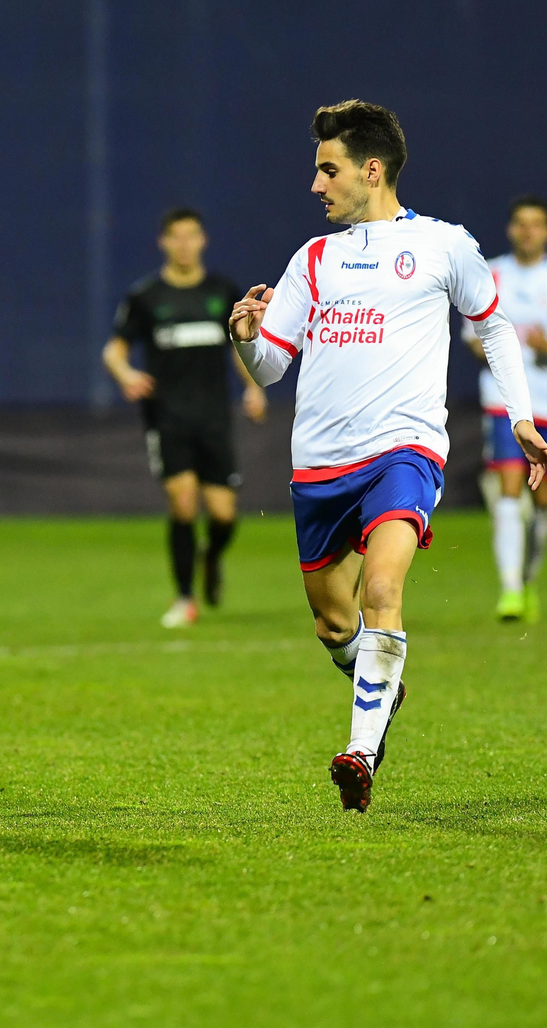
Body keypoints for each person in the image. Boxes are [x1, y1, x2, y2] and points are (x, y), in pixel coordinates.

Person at [229, 100, 546, 812]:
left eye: (328, 169)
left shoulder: (443, 245)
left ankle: (360, 752)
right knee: (333, 624)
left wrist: (522, 417)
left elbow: (494, 327)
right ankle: (381, 683)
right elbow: (271, 368)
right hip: (319, 464)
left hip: (404, 451)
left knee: (382, 591)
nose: (316, 184)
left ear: (371, 171)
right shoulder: (312, 259)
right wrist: (245, 336)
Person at [103, 209, 267, 628]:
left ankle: (210, 556)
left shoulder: (221, 291)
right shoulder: (146, 296)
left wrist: (253, 388)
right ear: (163, 242)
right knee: (182, 501)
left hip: (213, 416)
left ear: (203, 240)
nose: (184, 244)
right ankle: (184, 598)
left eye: (191, 236)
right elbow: (114, 351)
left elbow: (238, 346)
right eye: (175, 237)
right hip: (167, 416)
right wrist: (126, 374)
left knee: (224, 514)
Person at [461, 196, 547, 621]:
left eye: (536, 224)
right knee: (510, 489)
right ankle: (510, 589)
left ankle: (526, 579)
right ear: (511, 229)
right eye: (520, 223)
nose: (527, 231)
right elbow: (473, 335)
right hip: (506, 404)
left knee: (543, 503)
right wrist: (497, 349)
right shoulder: (492, 273)